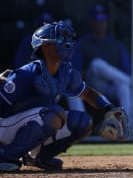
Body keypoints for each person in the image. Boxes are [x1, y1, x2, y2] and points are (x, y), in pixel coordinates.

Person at [0, 21, 124, 172]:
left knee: (82, 122)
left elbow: (87, 93)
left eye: (68, 39)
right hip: (5, 126)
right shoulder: (26, 73)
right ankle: (5, 157)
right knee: (53, 113)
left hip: (29, 123)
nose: (67, 43)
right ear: (45, 46)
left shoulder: (65, 72)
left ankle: (37, 157)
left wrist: (109, 108)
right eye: (60, 40)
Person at [71, 4, 133, 140]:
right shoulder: (83, 43)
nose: (100, 24)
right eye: (97, 20)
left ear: (107, 22)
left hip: (110, 87)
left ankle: (128, 126)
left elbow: (126, 72)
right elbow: (76, 72)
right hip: (90, 87)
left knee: (123, 85)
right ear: (92, 21)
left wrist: (111, 76)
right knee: (97, 63)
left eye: (103, 20)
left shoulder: (115, 44)